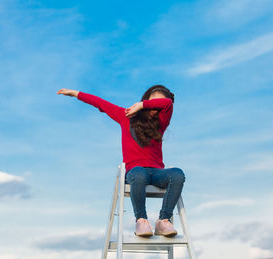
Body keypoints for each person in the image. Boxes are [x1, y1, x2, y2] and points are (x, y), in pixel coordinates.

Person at [57, 85, 185, 237]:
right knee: (139, 173)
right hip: (135, 172)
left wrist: (142, 104)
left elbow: (168, 104)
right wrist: (76, 93)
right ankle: (141, 220)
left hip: (156, 173)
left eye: (158, 104)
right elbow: (101, 103)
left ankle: (163, 220)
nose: (155, 107)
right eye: (152, 102)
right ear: (145, 101)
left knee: (177, 174)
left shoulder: (162, 122)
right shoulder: (126, 116)